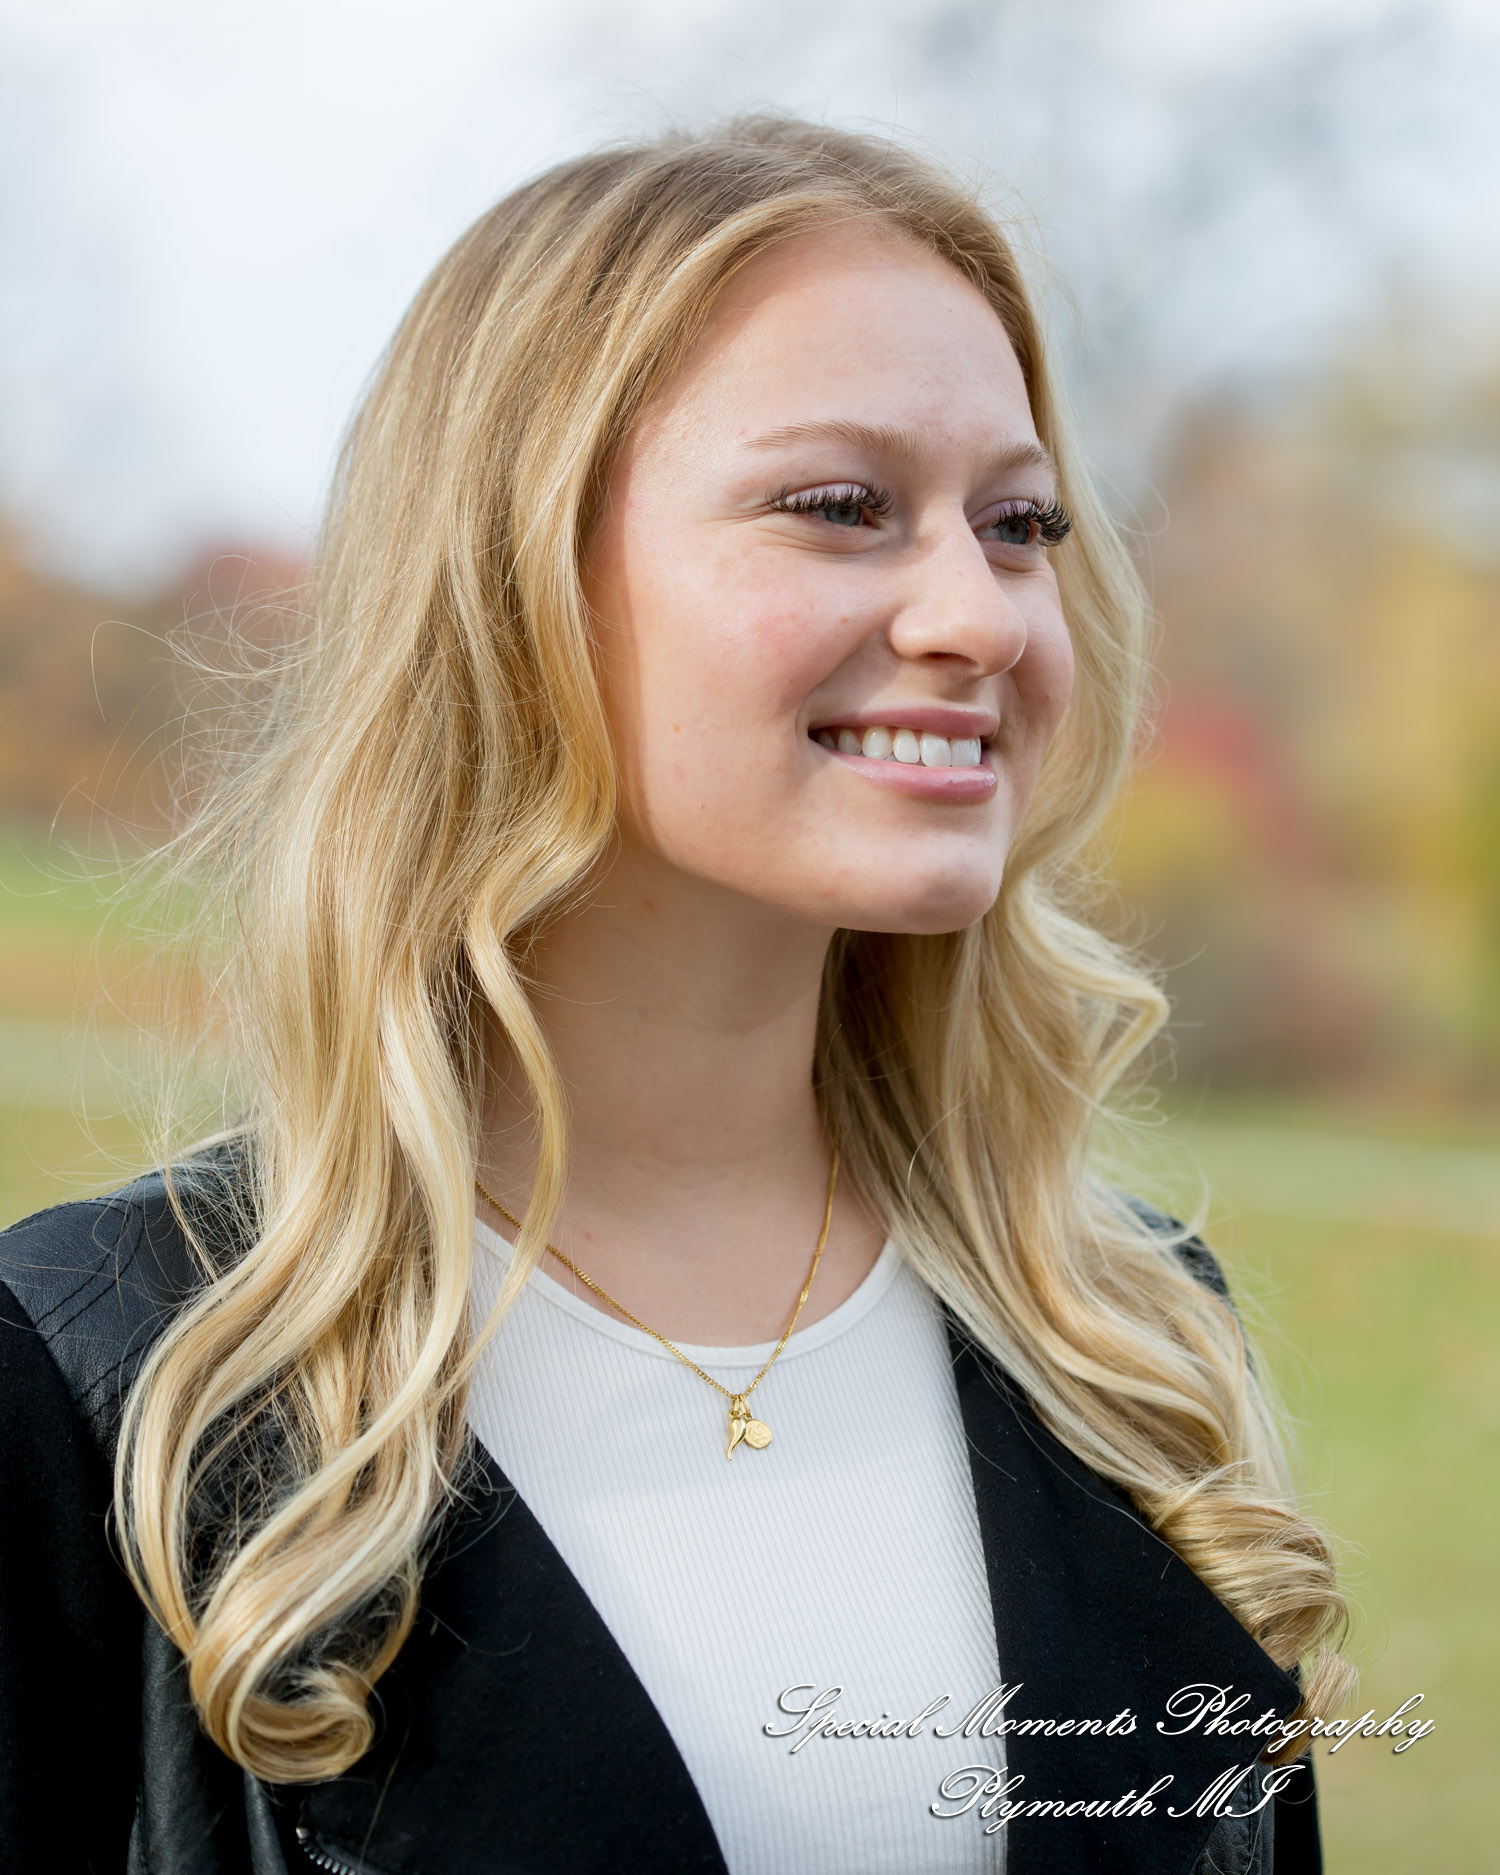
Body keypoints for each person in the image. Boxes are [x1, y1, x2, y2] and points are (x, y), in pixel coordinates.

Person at [0, 117, 1352, 1874]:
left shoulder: (1135, 1346)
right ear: (516, 582)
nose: (984, 613)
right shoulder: (107, 1384)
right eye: (839, 507)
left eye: (1020, 524)